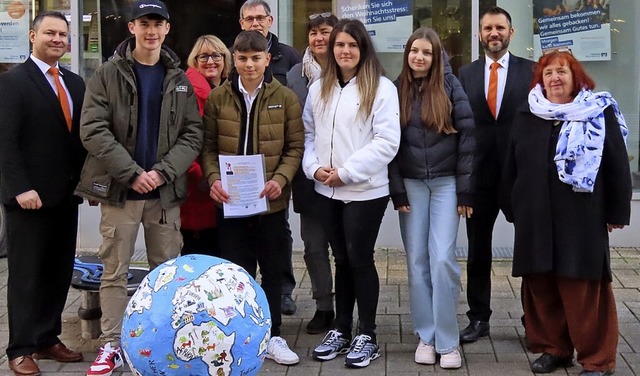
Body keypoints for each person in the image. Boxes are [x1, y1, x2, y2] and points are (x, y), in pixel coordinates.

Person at [75, 1, 203, 375]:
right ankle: (112, 344)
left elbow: (192, 133)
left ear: (166, 30)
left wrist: (162, 172)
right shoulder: (107, 73)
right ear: (131, 27)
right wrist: (132, 173)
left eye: (158, 24)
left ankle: (164, 341)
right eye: (144, 23)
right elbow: (93, 129)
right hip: (121, 193)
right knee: (113, 271)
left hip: (163, 194)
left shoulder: (178, 77)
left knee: (167, 272)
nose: (151, 30)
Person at [502, 49, 631, 376]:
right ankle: (553, 349)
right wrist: (512, 204)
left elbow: (616, 165)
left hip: (581, 218)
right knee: (541, 284)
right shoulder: (527, 113)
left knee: (582, 289)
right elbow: (511, 164)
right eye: (548, 73)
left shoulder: (597, 113)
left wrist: (617, 209)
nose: (555, 78)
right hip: (534, 215)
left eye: (561, 72)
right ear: (540, 80)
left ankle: (597, 360)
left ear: (576, 77)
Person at [201, 30, 304, 366]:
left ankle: (273, 334)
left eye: (255, 58)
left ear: (266, 60)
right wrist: (214, 179)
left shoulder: (285, 97)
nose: (248, 64)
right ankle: (239, 335)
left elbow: (295, 147)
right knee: (235, 272)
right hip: (230, 201)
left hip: (269, 202)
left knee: (273, 270)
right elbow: (208, 147)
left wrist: (280, 179)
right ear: (235, 59)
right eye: (242, 58)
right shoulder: (219, 97)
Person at [304, 19, 400, 368]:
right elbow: (309, 134)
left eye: (352, 46)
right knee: (340, 259)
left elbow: (386, 142)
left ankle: (368, 334)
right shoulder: (319, 87)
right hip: (325, 189)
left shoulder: (381, 88)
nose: (345, 51)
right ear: (332, 50)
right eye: (340, 45)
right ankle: (341, 330)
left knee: (359, 258)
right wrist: (314, 169)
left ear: (363, 50)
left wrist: (345, 173)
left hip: (364, 190)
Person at [0, 11, 86, 376]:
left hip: (66, 196)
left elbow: (81, 141)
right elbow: (5, 141)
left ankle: (48, 337)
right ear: (32, 35)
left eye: (63, 34)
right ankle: (20, 348)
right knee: (26, 274)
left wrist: (89, 184)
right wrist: (19, 188)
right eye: (49, 32)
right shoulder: (13, 82)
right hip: (28, 199)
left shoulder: (76, 82)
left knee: (58, 271)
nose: (57, 39)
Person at [389, 27, 474, 370]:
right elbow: (388, 143)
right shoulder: (396, 90)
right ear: (407, 54)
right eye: (414, 51)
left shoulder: (451, 86)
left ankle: (448, 340)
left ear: (436, 56)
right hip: (410, 186)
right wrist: (396, 188)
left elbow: (468, 138)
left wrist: (466, 189)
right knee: (417, 262)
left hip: (446, 185)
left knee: (442, 260)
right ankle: (426, 335)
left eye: (426, 52)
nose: (419, 57)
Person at [457, 6, 535, 343]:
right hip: (480, 179)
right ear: (479, 33)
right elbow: (460, 131)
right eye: (487, 28)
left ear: (511, 33)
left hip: (522, 178)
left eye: (500, 27)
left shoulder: (533, 72)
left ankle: (535, 320)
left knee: (532, 252)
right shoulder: (465, 74)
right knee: (477, 252)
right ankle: (478, 318)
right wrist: (464, 188)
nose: (494, 33)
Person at [238, 0, 302, 315]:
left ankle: (283, 291)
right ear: (241, 23)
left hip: (275, 166)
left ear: (270, 20)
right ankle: (244, 293)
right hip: (239, 168)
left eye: (259, 18)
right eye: (248, 18)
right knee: (244, 232)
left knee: (279, 232)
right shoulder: (234, 55)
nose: (254, 23)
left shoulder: (290, 56)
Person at [286, 11, 339, 335]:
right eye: (314, 33)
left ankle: (347, 308)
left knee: (347, 250)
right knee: (314, 247)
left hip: (346, 176)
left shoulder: (351, 70)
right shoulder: (295, 75)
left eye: (325, 32)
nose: (319, 38)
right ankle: (324, 306)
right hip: (309, 177)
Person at [180, 35, 231, 256]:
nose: (210, 61)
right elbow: (182, 141)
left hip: (225, 188)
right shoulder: (187, 93)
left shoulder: (228, 91)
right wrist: (204, 177)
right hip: (199, 189)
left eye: (216, 55)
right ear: (194, 60)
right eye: (204, 56)